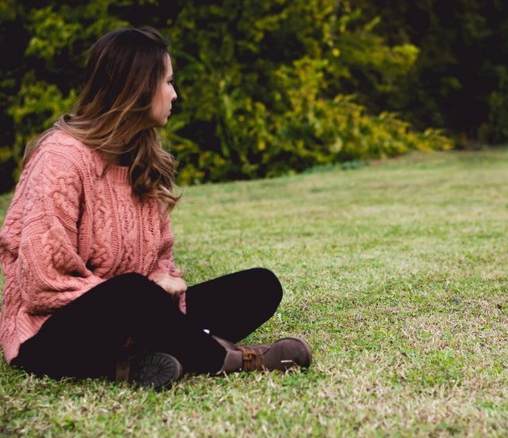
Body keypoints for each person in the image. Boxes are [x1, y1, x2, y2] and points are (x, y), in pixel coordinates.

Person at [0, 27, 312, 391]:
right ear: (138, 87)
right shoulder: (60, 159)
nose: (174, 94)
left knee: (260, 286)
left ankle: (139, 362)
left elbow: (161, 263)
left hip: (138, 317)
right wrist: (149, 293)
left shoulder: (142, 162)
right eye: (167, 82)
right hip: (51, 337)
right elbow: (42, 284)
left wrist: (163, 289)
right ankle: (230, 357)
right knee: (132, 293)